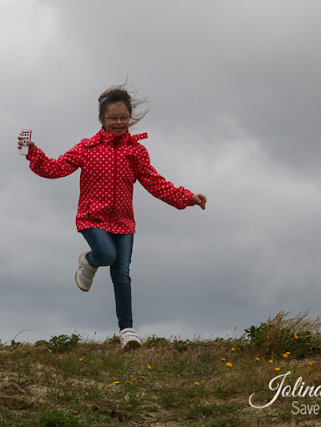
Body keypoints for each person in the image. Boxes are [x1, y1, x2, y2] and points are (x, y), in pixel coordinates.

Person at [17, 85, 207, 350]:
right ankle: (90, 260)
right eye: (113, 118)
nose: (119, 123)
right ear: (102, 119)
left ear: (130, 117)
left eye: (123, 118)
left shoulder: (136, 152)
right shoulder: (87, 147)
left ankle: (127, 331)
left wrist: (188, 198)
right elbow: (56, 168)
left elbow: (155, 182)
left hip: (124, 222)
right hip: (92, 217)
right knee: (107, 255)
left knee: (122, 275)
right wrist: (34, 153)